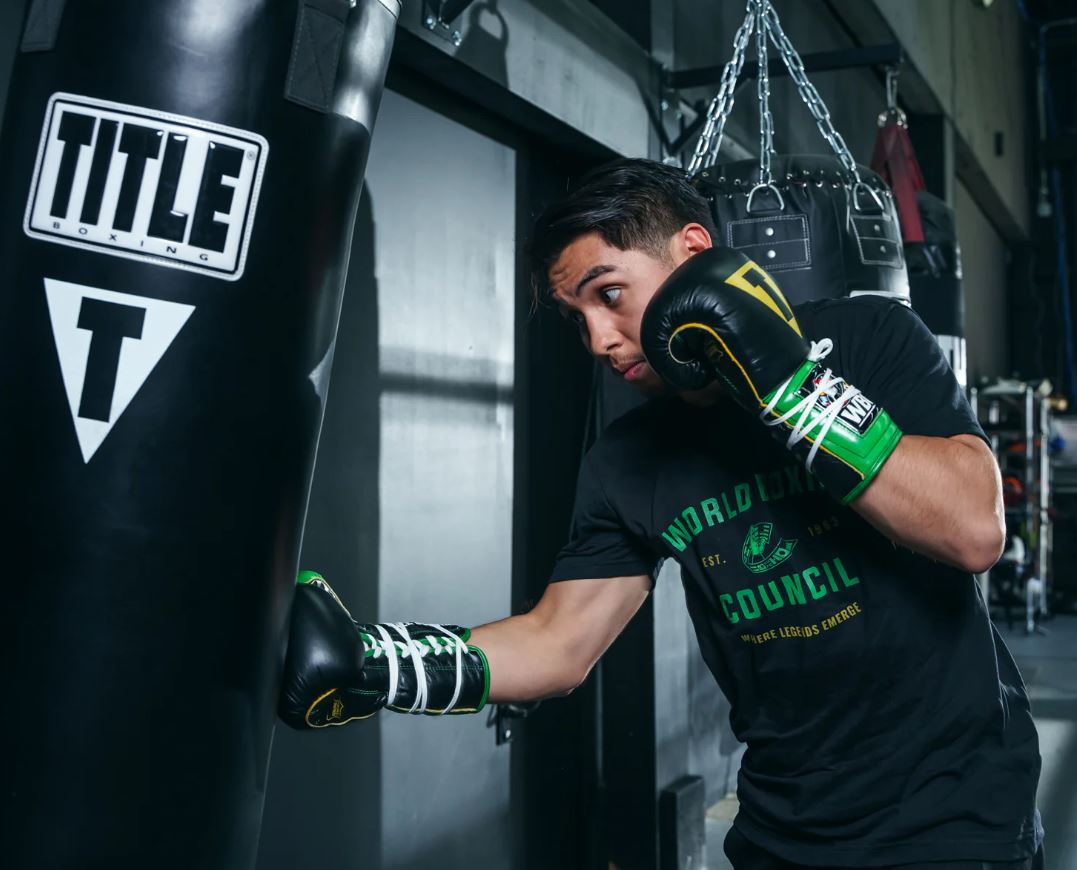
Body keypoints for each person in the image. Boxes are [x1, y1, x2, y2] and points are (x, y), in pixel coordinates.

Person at [279, 159, 1043, 869]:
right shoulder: (628, 458)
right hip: (784, 832)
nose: (601, 341)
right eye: (577, 319)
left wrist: (788, 385)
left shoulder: (869, 341)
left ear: (694, 251)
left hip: (954, 823)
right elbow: (557, 645)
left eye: (609, 294)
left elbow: (972, 529)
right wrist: (380, 663)